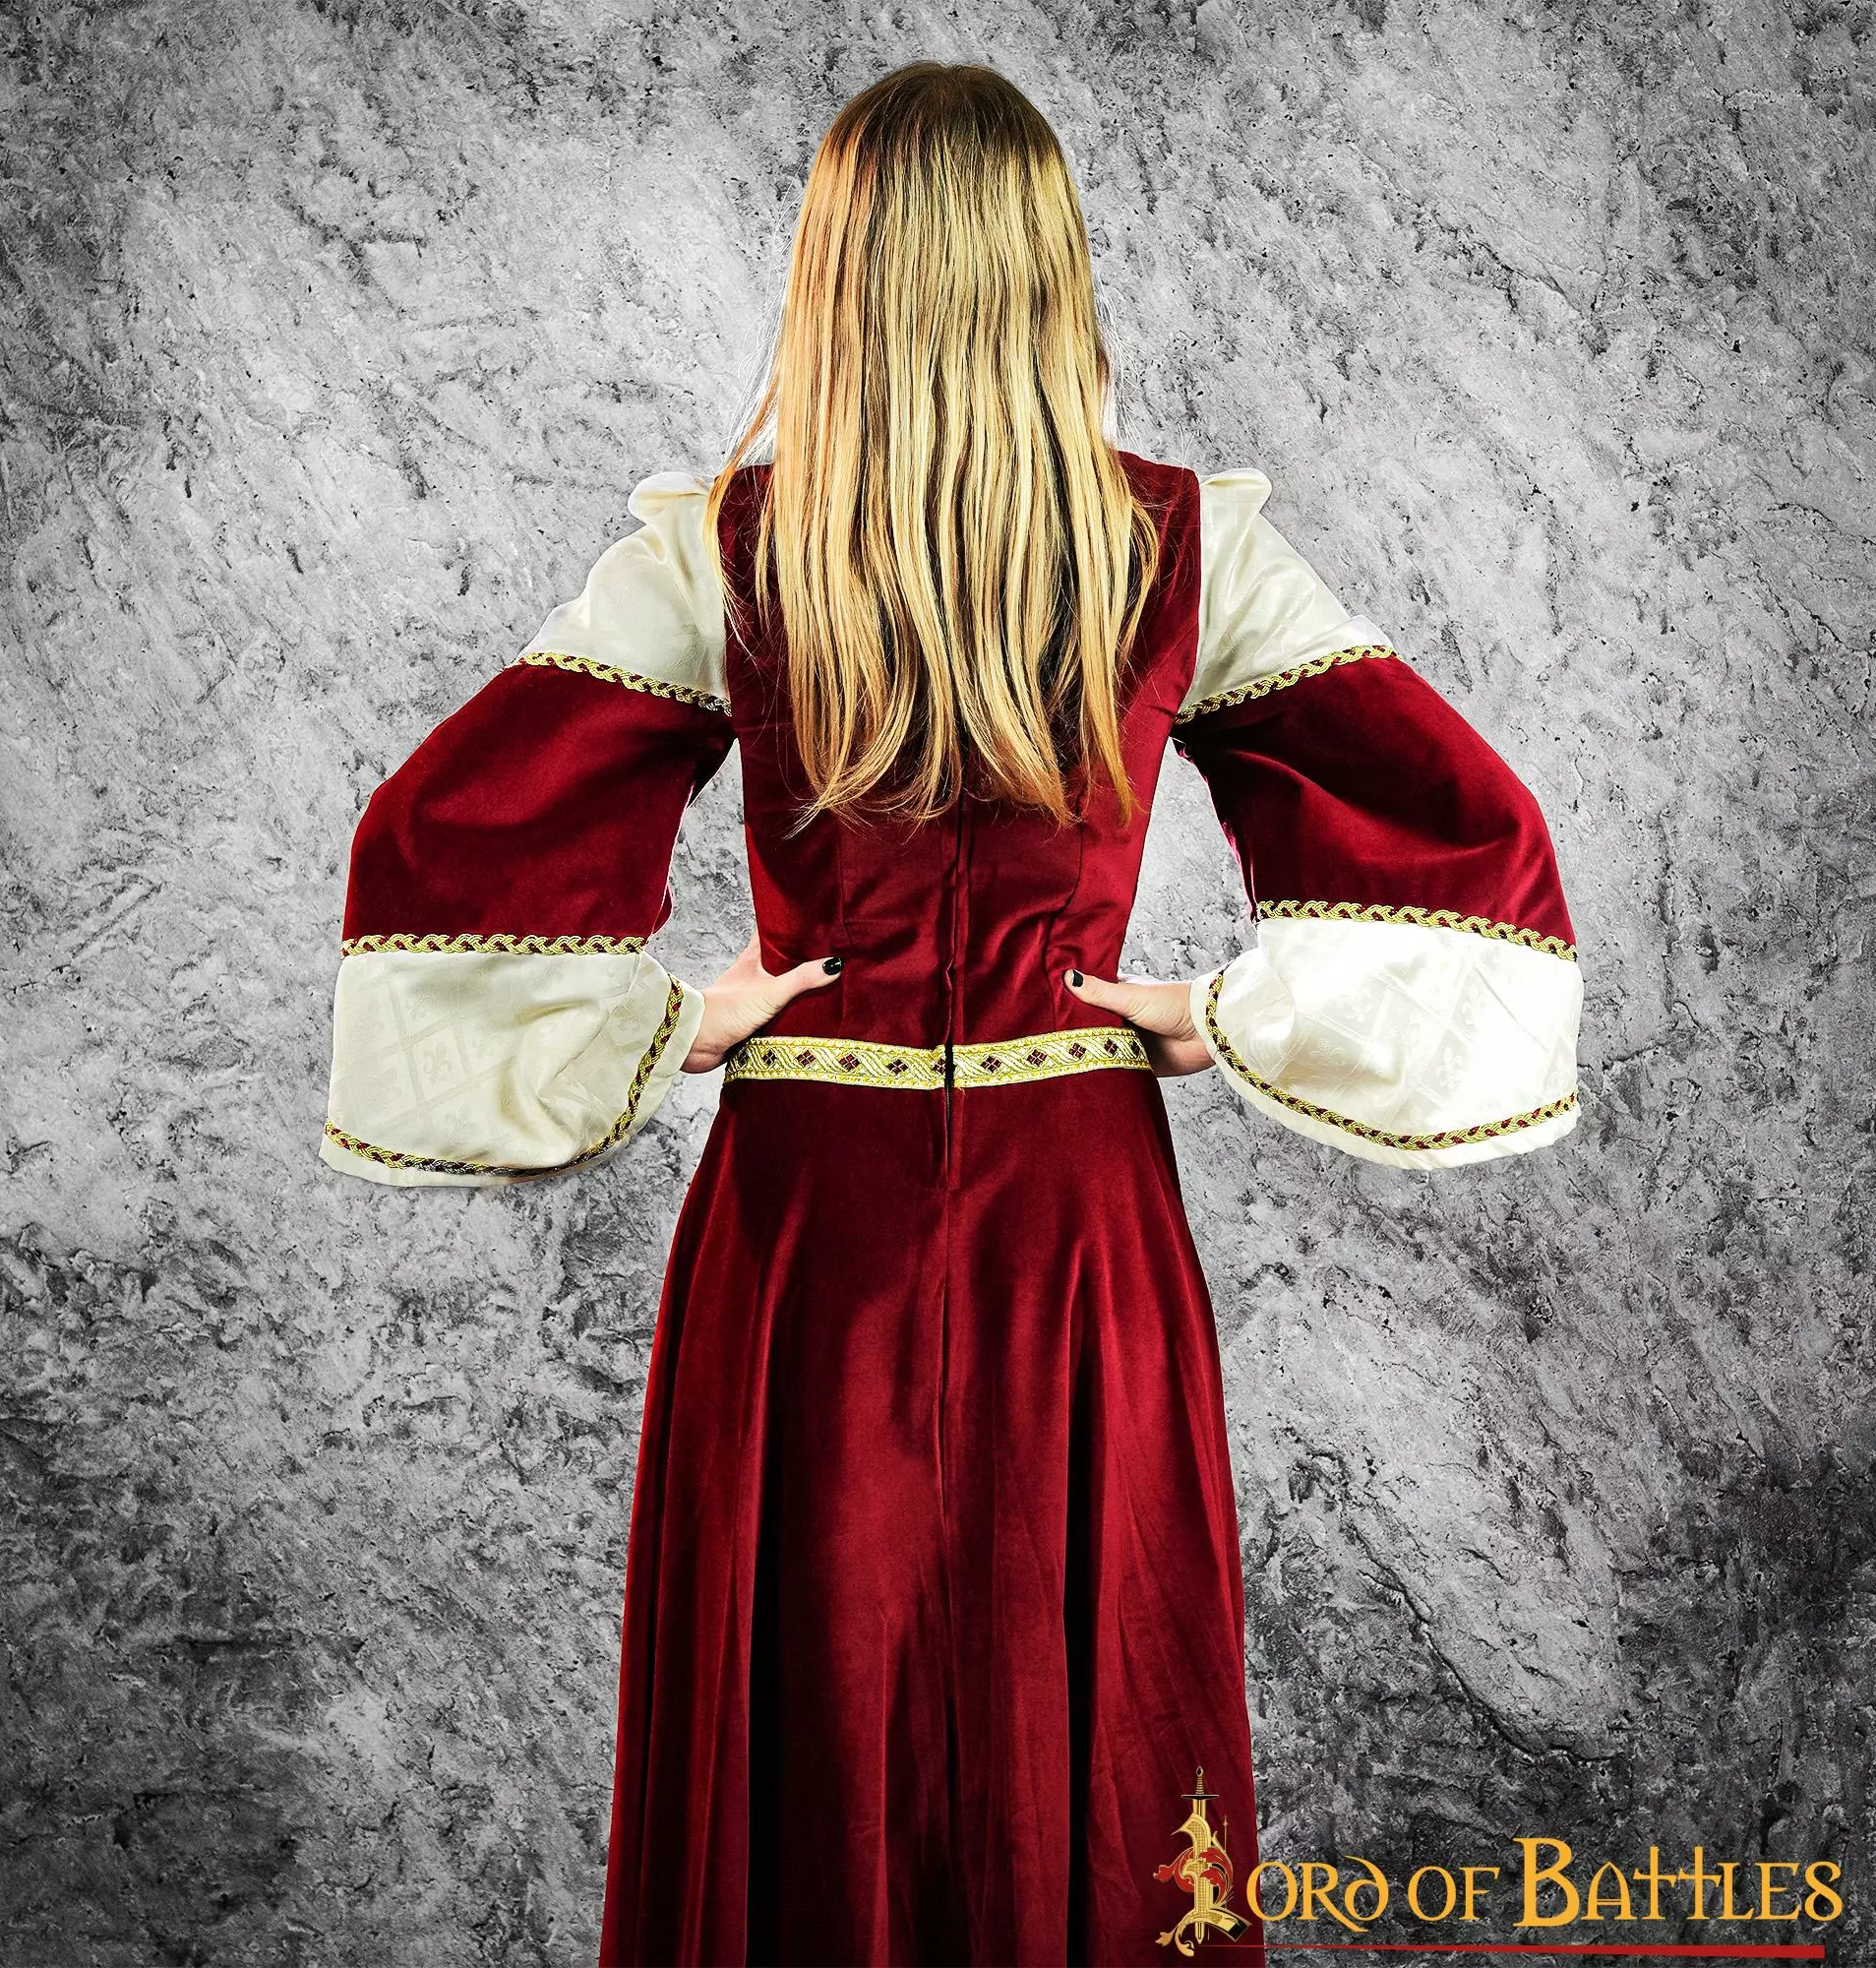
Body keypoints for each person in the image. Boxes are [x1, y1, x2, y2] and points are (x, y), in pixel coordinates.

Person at [319, 60, 1584, 1968]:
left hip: (807, 1228)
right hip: (1077, 1217)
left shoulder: (724, 548)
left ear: (832, 272)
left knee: (811, 1719)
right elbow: (1474, 838)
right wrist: (1214, 1017)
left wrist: (676, 1023)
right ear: (1048, 269)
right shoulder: (1177, 544)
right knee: (1081, 1718)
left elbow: (439, 840)